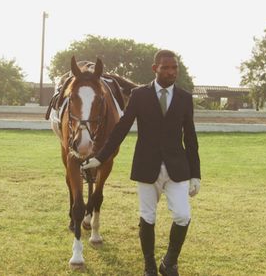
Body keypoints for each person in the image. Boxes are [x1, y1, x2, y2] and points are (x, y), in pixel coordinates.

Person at [81, 50, 201, 276]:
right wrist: (99, 157)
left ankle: (169, 263)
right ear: (155, 69)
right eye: (165, 67)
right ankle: (149, 266)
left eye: (174, 67)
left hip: (178, 168)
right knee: (148, 217)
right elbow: (121, 129)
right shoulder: (139, 95)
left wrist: (196, 174)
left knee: (183, 215)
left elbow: (191, 138)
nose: (171, 72)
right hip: (147, 167)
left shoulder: (185, 98)